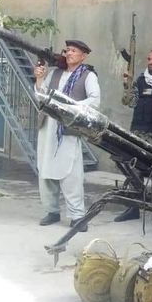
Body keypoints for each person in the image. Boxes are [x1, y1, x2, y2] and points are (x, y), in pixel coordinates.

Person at [34, 40, 100, 231]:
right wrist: (39, 79)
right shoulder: (55, 72)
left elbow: (95, 100)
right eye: (67, 50)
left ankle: (77, 216)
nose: (69, 53)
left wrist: (69, 108)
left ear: (84, 55)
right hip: (48, 127)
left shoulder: (88, 76)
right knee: (45, 170)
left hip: (68, 129)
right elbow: (41, 94)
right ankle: (52, 211)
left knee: (71, 174)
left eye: (73, 50)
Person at [114, 49, 152, 224]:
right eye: (149, 59)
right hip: (137, 131)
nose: (151, 62)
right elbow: (130, 102)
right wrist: (126, 85)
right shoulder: (140, 80)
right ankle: (133, 207)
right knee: (134, 170)